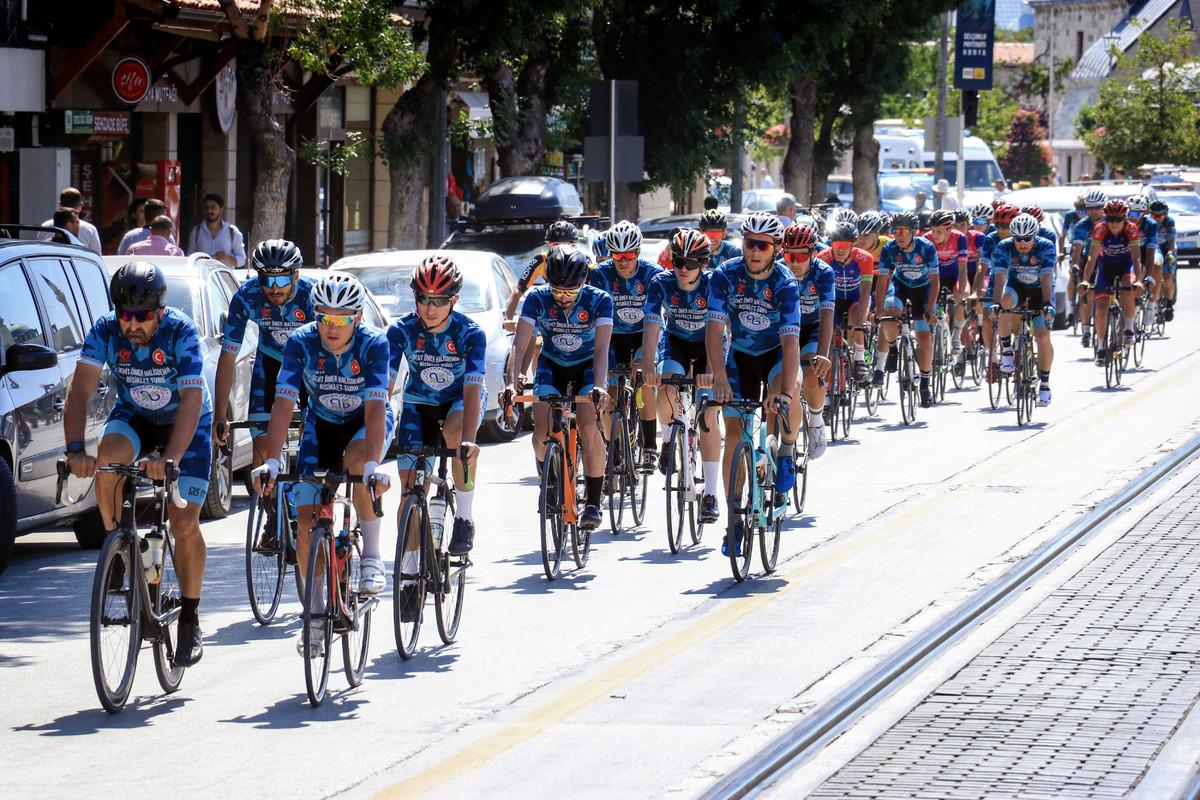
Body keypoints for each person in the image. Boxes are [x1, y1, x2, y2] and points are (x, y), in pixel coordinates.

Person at [64, 262, 211, 667]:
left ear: (159, 311)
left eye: (142, 316)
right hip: (137, 416)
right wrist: (76, 449)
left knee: (184, 523)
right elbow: (80, 391)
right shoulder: (105, 329)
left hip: (186, 423)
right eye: (124, 315)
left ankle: (191, 619)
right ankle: (118, 552)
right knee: (108, 459)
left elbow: (193, 401)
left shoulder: (181, 332)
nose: (132, 324)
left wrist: (171, 459)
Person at [252, 273, 393, 656]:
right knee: (304, 521)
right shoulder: (301, 342)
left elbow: (377, 407)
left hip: (365, 425)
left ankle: (373, 559)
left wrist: (375, 464)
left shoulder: (374, 345)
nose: (331, 328)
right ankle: (314, 615)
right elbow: (284, 404)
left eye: (341, 319)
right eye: (324, 318)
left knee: (358, 462)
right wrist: (273, 462)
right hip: (321, 425)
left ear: (357, 318)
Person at [706, 211, 804, 547]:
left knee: (787, 390)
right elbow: (715, 330)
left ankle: (786, 450)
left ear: (776, 248)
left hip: (776, 354)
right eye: (749, 243)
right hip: (741, 358)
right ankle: (734, 521)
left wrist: (786, 393)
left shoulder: (785, 283)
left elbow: (792, 342)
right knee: (734, 434)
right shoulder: (725, 275)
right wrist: (718, 376)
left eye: (763, 245)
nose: (755, 251)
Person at [388, 255, 486, 568]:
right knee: (409, 491)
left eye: (439, 301)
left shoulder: (470, 333)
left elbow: (472, 389)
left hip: (460, 400)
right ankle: (410, 567)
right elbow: (385, 385)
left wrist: (469, 441)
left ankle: (464, 517)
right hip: (419, 402)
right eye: (423, 299)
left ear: (454, 300)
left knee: (457, 437)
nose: (430, 309)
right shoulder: (401, 330)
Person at [506, 247, 612, 531]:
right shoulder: (536, 299)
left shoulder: (599, 300)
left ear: (584, 283)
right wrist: (511, 380)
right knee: (541, 429)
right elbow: (520, 343)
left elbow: (602, 349)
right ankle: (548, 479)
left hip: (588, 365)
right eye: (557, 290)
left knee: (588, 425)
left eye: (571, 291)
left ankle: (592, 502)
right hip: (552, 363)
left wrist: (600, 386)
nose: (563, 297)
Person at [214, 239, 315, 481]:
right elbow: (228, 357)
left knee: (314, 441)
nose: (274, 288)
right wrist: (220, 415)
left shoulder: (311, 297)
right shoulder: (247, 296)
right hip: (269, 363)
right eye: (267, 279)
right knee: (262, 452)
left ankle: (305, 496)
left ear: (295, 276)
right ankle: (272, 509)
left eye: (281, 279)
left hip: (309, 367)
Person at [641, 229, 723, 523]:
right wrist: (648, 366)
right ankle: (668, 439)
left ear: (703, 264)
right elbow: (651, 325)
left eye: (690, 263)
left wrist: (712, 372)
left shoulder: (715, 284)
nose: (683, 269)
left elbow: (718, 330)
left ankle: (711, 494)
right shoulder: (660, 282)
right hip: (675, 341)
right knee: (665, 389)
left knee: (708, 417)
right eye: (678, 262)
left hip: (708, 346)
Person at [588, 220, 662, 472]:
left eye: (628, 254)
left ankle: (650, 446)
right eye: (617, 255)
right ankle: (614, 448)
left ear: (638, 252)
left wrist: (647, 360)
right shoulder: (600, 275)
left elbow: (656, 319)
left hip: (642, 335)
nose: (623, 260)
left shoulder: (652, 274)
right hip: (612, 337)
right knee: (609, 393)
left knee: (646, 383)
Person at [777, 222, 834, 461]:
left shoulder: (823, 273)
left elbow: (827, 315)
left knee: (812, 369)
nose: (795, 262)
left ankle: (817, 418)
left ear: (812, 254)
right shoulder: (778, 270)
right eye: (790, 255)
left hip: (812, 327)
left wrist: (823, 353)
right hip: (782, 329)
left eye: (801, 256)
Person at [989, 213, 1056, 407]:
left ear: (1035, 236)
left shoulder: (1045, 246)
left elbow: (1046, 278)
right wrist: (996, 303)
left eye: (1027, 239)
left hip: (1040, 291)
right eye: (1018, 239)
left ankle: (1044, 384)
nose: (1023, 243)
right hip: (1016, 287)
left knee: (1042, 337)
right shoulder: (1004, 246)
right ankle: (1007, 349)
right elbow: (1000, 278)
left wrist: (1046, 304)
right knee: (1005, 303)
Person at [875, 210, 940, 408]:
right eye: (896, 231)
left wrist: (929, 308)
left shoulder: (926, 248)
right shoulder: (889, 248)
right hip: (900, 285)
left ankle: (925, 385)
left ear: (914, 232)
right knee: (889, 311)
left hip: (924, 288)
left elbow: (935, 281)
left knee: (923, 336)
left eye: (904, 231)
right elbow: (883, 281)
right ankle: (893, 349)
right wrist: (878, 310)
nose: (900, 235)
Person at [1081, 199, 1142, 364]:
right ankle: (1101, 346)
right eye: (1111, 219)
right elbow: (1092, 257)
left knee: (1128, 284)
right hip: (1106, 266)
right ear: (1106, 219)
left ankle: (1129, 328)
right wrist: (1085, 280)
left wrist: (1140, 281)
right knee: (1101, 307)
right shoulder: (1100, 229)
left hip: (1125, 265)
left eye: (1118, 219)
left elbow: (1136, 258)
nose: (1114, 223)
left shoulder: (1132, 229)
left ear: (1125, 218)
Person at [817, 218, 874, 383]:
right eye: (836, 245)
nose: (840, 249)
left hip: (856, 298)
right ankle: (827, 397)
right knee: (827, 337)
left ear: (852, 245)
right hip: (833, 300)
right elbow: (820, 292)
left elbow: (865, 290)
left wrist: (862, 320)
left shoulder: (865, 258)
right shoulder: (823, 257)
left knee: (856, 315)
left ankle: (859, 357)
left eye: (845, 245)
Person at [925, 209, 969, 356]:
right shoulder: (926, 239)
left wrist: (961, 294)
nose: (934, 235)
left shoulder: (960, 238)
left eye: (938, 231)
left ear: (949, 230)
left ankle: (956, 336)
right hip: (934, 277)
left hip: (954, 276)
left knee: (961, 300)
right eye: (932, 230)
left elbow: (963, 270)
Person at [1072, 190, 1107, 347]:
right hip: (1089, 259)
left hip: (1109, 258)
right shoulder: (1082, 225)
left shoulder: (1111, 221)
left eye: (1097, 207)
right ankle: (1086, 329)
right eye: (1090, 208)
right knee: (1088, 292)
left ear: (1103, 207)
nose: (1093, 211)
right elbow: (1077, 248)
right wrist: (1075, 264)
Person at [187, 193, 246, 268]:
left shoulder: (232, 232)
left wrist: (226, 258)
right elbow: (190, 258)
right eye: (207, 207)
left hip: (224, 278)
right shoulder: (196, 232)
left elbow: (242, 260)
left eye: (213, 207)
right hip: (202, 277)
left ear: (221, 210)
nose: (209, 211)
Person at [38, 187, 102, 253]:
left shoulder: (45, 227)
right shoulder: (90, 229)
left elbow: (38, 253)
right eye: (76, 222)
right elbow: (97, 256)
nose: (78, 225)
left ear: (60, 204)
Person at [1150, 199, 1177, 318]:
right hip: (1153, 250)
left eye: (1159, 215)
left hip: (1166, 249)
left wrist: (1170, 254)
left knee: (1167, 278)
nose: (1156, 218)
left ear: (1165, 214)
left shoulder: (1169, 222)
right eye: (1153, 215)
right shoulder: (1148, 222)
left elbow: (1171, 241)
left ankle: (1169, 303)